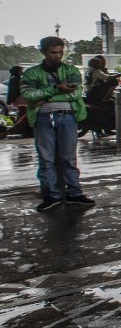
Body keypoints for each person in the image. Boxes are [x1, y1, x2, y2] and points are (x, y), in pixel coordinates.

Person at [21, 37, 95, 212]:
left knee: (69, 158)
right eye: (53, 52)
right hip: (43, 118)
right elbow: (29, 95)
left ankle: (74, 193)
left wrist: (45, 97)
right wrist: (56, 89)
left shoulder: (71, 71)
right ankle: (51, 195)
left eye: (60, 52)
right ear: (44, 52)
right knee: (46, 159)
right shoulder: (31, 73)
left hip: (67, 115)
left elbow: (75, 93)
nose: (57, 56)